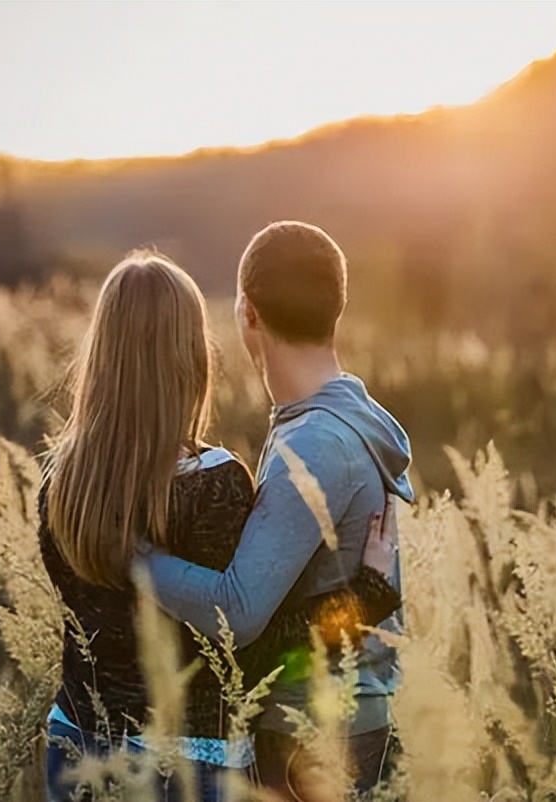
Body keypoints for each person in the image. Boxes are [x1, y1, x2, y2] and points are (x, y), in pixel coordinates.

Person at [38, 250, 401, 802]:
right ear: (191, 356)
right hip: (183, 762)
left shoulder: (61, 484)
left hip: (77, 744)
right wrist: (363, 602)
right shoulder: (215, 483)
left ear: (101, 351)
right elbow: (241, 648)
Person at [140, 221, 415, 800]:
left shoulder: (315, 445)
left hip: (314, 734)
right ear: (335, 308)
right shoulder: (343, 418)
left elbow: (237, 612)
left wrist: (135, 559)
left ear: (247, 313)